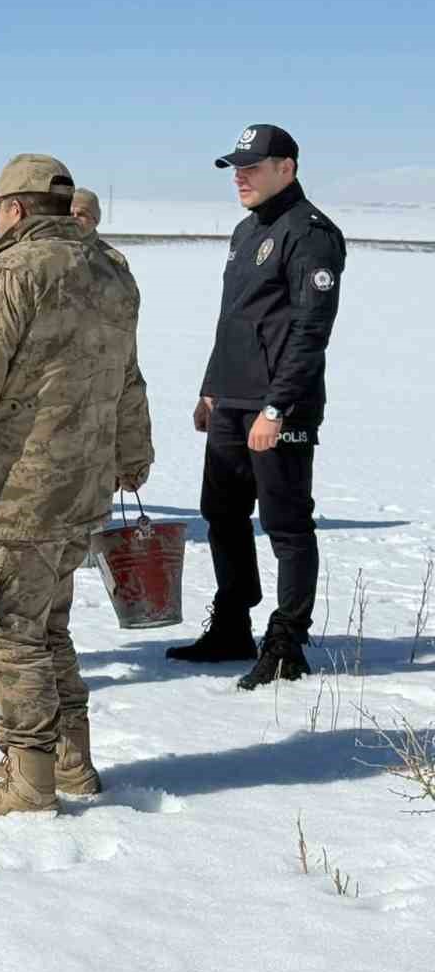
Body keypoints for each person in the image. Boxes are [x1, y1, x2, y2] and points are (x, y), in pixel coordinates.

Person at [0, 154, 152, 815]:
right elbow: (128, 374)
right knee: (47, 626)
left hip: (17, 491)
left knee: (7, 633)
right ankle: (68, 761)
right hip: (81, 490)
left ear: (13, 209)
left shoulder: (10, 272)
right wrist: (133, 454)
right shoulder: (110, 270)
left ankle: (30, 782)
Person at [170, 124, 345, 689]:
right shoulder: (248, 230)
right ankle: (232, 624)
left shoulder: (311, 234)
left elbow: (309, 330)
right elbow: (235, 317)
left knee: (287, 524)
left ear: (286, 168)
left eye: (252, 166)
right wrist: (210, 387)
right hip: (232, 398)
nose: (240, 176)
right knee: (221, 515)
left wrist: (278, 409)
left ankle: (288, 640)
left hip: (278, 405)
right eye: (235, 167)